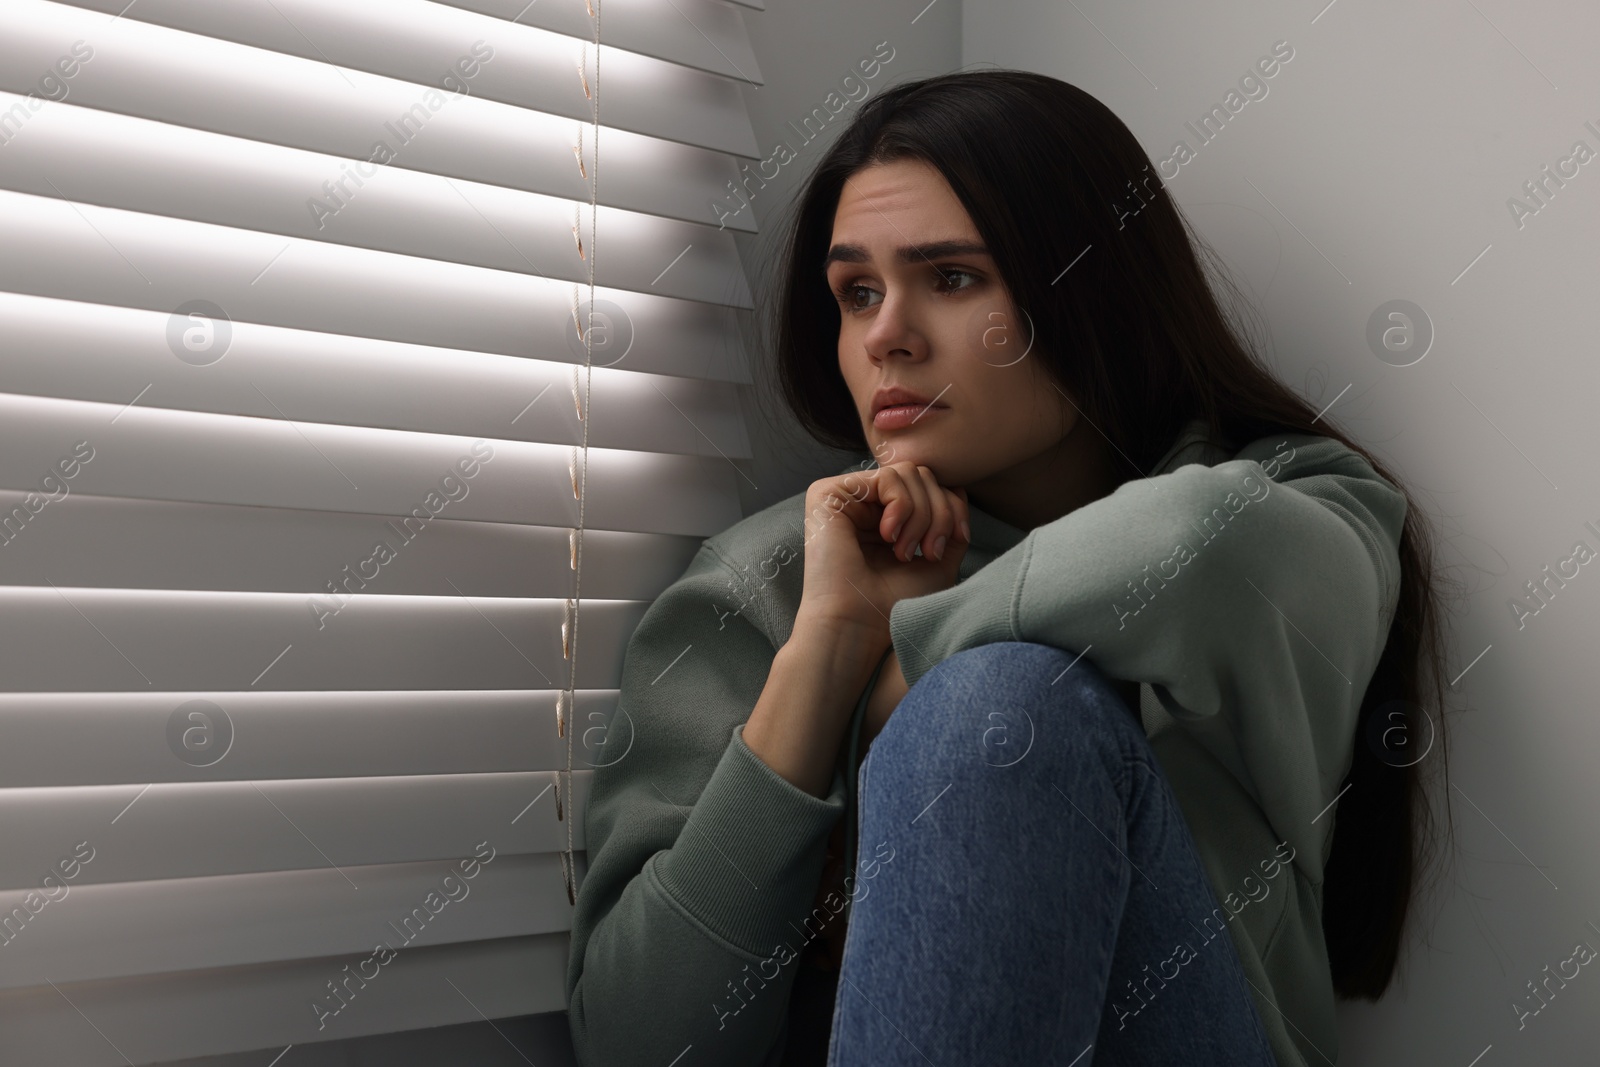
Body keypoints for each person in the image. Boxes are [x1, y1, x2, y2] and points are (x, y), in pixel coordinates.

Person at [565, 69, 1452, 1067]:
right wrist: (826, 655)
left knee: (1000, 709)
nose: (884, 334)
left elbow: (1189, 541)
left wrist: (906, 671)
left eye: (950, 278)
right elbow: (639, 1046)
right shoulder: (777, 579)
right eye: (856, 292)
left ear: (1092, 289)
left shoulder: (1301, 504)